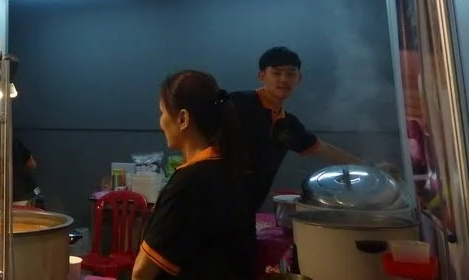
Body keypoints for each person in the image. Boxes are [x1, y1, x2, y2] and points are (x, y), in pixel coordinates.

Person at [133, 70, 255, 280]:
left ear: (183, 118)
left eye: (162, 112)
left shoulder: (189, 182)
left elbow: (142, 271)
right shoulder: (230, 168)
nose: (160, 121)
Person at [230, 46, 368, 213]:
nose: (284, 79)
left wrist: (369, 169)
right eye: (276, 73)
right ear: (262, 76)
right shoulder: (236, 103)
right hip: (215, 201)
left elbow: (323, 150)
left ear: (299, 78)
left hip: (246, 208)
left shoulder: (288, 124)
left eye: (290, 74)